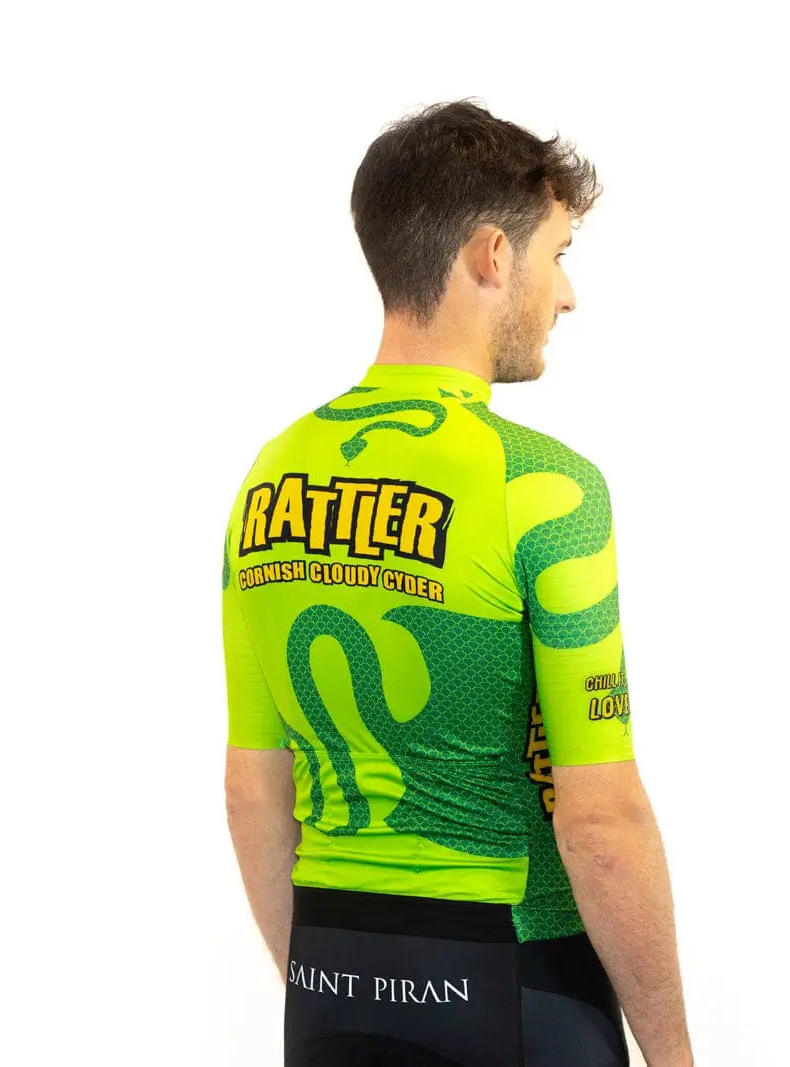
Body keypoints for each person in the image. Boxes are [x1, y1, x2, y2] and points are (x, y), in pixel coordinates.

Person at [221, 99, 692, 1066]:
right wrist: (677, 1055)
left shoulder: (268, 478)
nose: (567, 296)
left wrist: (327, 985)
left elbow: (252, 790)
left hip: (331, 990)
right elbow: (599, 819)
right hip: (518, 983)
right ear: (491, 254)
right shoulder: (545, 490)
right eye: (558, 255)